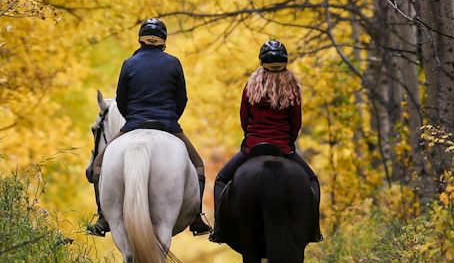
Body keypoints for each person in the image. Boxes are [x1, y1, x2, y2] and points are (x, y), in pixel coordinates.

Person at [86, 17, 212, 236]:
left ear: (140, 41)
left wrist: (133, 120)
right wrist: (170, 120)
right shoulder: (173, 63)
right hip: (168, 125)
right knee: (198, 165)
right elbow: (181, 99)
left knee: (97, 165)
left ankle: (103, 217)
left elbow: (121, 100)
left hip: (133, 124)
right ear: (163, 42)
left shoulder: (129, 63)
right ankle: (197, 218)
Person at [206, 39, 322, 243]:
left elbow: (244, 118)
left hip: (252, 147)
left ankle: (219, 229)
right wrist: (287, 143)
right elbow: (296, 123)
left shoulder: (251, 86)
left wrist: (251, 138)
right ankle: (314, 230)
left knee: (221, 180)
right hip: (284, 149)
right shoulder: (292, 87)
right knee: (312, 181)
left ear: (262, 62)